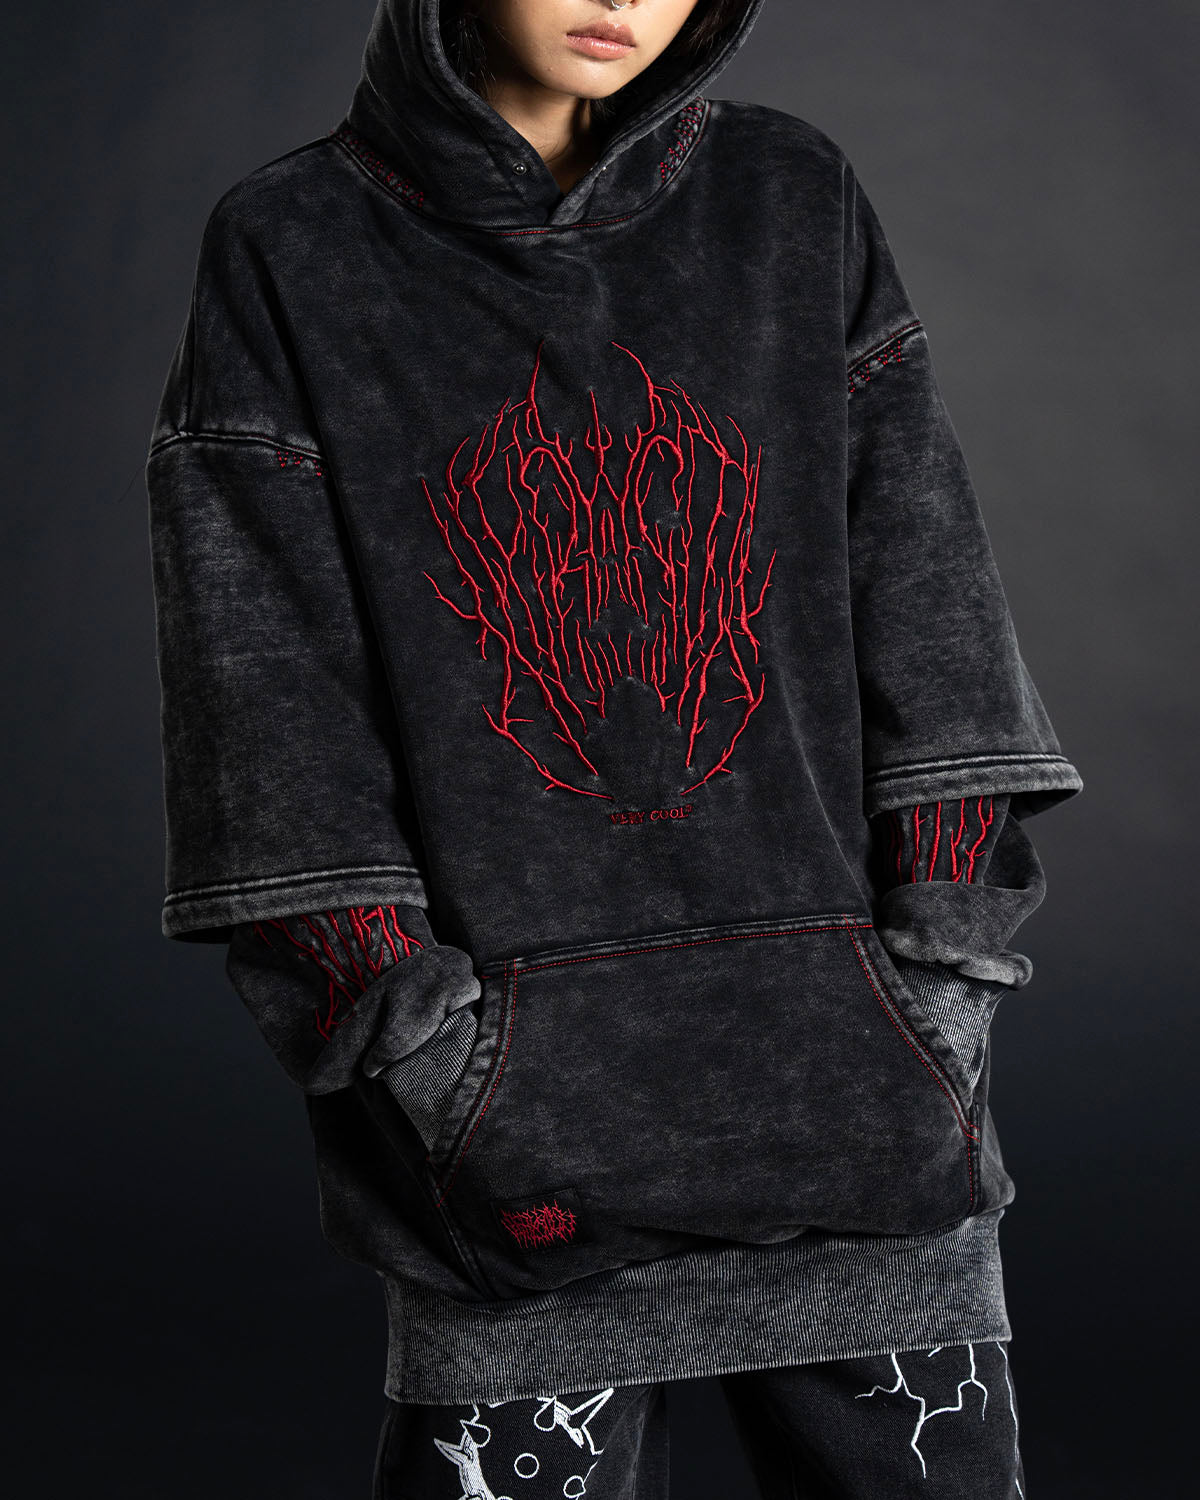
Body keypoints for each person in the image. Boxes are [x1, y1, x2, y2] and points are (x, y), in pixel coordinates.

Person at [144, 2, 1083, 1494]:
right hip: (513, 1136)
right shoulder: (294, 241)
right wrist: (403, 1022)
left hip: (855, 1084)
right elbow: (263, 685)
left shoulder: (791, 196)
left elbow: (927, 578)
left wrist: (945, 960)